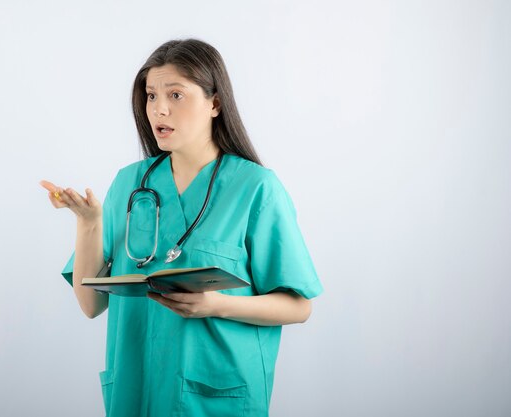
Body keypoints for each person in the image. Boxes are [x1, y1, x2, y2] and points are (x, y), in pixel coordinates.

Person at [41, 38, 324, 417]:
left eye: (176, 95)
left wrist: (215, 305)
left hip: (215, 397)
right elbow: (91, 304)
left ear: (215, 103)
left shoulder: (256, 188)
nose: (159, 109)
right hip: (137, 392)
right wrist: (89, 223)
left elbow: (299, 306)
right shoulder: (130, 185)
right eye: (151, 95)